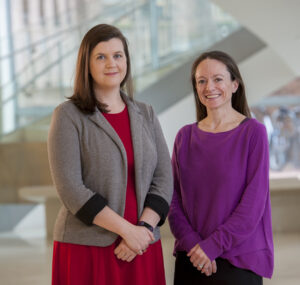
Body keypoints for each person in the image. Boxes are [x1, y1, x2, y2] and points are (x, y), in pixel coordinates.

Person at [48, 23, 173, 285]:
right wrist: (127, 231)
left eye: (118, 55)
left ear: (126, 60)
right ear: (87, 64)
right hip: (89, 248)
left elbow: (164, 179)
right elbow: (70, 187)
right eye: (101, 57)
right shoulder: (68, 116)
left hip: (142, 245)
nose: (111, 63)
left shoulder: (146, 113)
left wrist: (143, 229)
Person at [168, 50, 274, 285]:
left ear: (234, 84)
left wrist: (212, 246)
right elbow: (173, 200)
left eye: (218, 79)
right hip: (192, 257)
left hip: (236, 260)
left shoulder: (253, 133)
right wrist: (195, 246)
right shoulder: (184, 137)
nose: (209, 87)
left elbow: (253, 203)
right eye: (202, 81)